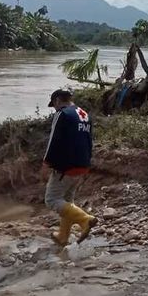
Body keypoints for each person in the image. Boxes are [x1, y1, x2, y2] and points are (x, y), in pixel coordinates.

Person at [44, 89, 97, 246]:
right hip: (83, 164)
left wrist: (46, 162)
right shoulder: (85, 114)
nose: (54, 108)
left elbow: (53, 139)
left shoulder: (63, 113)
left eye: (54, 105)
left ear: (58, 100)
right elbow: (89, 140)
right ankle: (63, 236)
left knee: (52, 200)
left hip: (66, 166)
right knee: (67, 200)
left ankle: (85, 220)